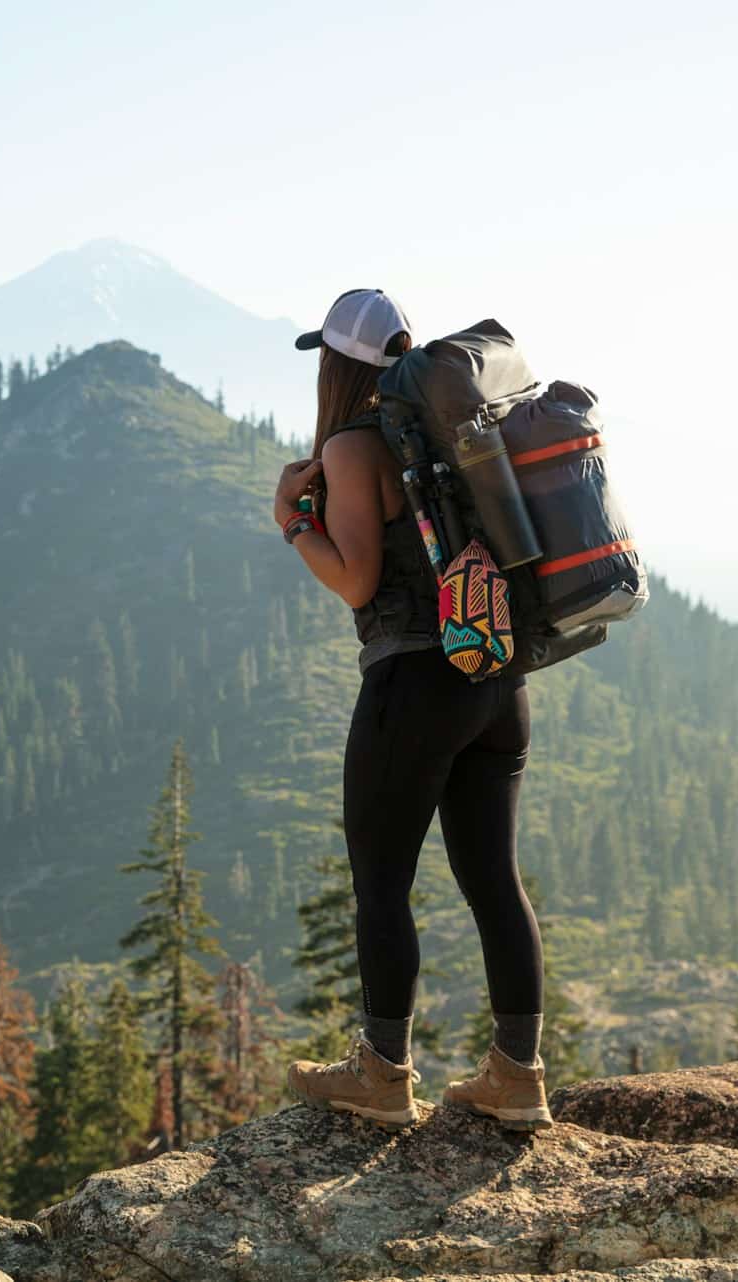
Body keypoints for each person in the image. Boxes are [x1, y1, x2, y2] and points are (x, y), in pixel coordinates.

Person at [274, 288, 552, 1133]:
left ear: (335, 362)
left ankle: (383, 1074)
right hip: (497, 674)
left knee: (382, 882)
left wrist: (292, 523)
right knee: (494, 882)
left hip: (415, 682)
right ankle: (517, 1074)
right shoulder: (453, 432)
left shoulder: (356, 447)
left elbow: (357, 580)